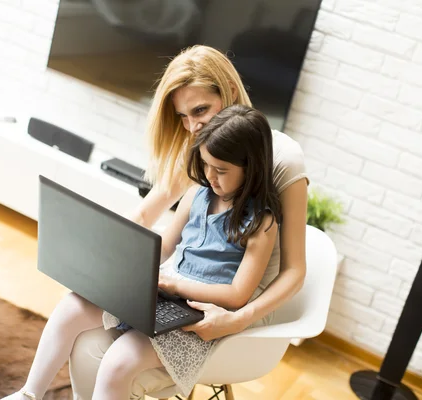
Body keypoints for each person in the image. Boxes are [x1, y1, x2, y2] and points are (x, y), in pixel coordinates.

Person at [68, 44, 309, 399]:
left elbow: (295, 271)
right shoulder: (207, 153)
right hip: (188, 288)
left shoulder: (282, 158)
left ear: (228, 91)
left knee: (114, 358)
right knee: (81, 326)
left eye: (201, 110)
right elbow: (146, 214)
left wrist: (237, 318)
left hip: (236, 307)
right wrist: (107, 262)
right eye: (183, 116)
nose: (193, 126)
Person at [3, 104, 281, 400]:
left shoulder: (261, 223)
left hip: (197, 318)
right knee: (73, 305)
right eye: (206, 165)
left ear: (250, 168)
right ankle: (29, 395)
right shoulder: (197, 193)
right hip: (164, 294)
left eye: (221, 170)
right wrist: (126, 265)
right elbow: (164, 246)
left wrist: (176, 285)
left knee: (116, 362)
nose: (210, 176)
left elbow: (238, 294)